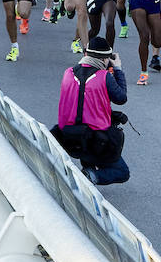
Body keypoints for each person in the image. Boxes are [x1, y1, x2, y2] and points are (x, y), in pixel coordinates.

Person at [51, 36, 130, 185]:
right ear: (105, 59)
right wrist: (118, 68)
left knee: (89, 153)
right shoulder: (104, 76)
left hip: (68, 136)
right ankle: (90, 176)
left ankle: (89, 173)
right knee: (122, 172)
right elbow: (121, 98)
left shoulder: (68, 72)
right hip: (96, 139)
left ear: (86, 55)